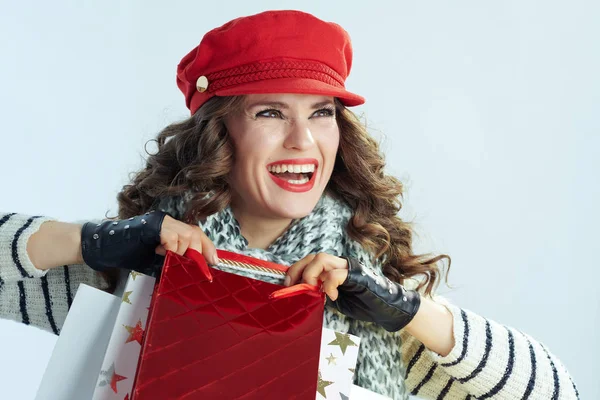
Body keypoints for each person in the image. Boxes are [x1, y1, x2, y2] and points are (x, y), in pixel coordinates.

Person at [0, 10, 578, 400]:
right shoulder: (136, 276)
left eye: (321, 113)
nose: (302, 141)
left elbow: (558, 391)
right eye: (270, 112)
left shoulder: (365, 295)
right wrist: (91, 242)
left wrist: (406, 311)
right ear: (218, 134)